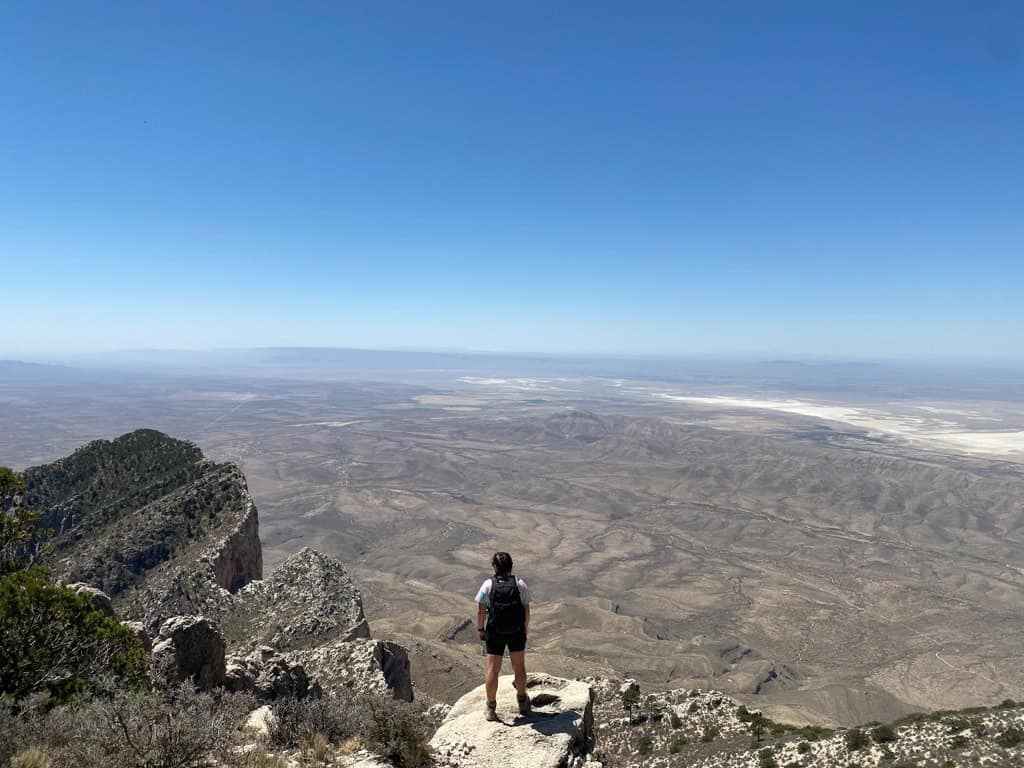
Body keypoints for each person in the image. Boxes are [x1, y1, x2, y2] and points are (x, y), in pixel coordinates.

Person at [475, 551, 531, 721]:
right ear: (511, 566)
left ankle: (491, 708)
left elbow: (480, 611)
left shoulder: (488, 585)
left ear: (494, 566)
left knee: (493, 669)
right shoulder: (519, 584)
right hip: (516, 631)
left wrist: (481, 630)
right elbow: (526, 609)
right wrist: (524, 629)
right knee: (518, 667)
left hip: (495, 631)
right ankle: (522, 701)